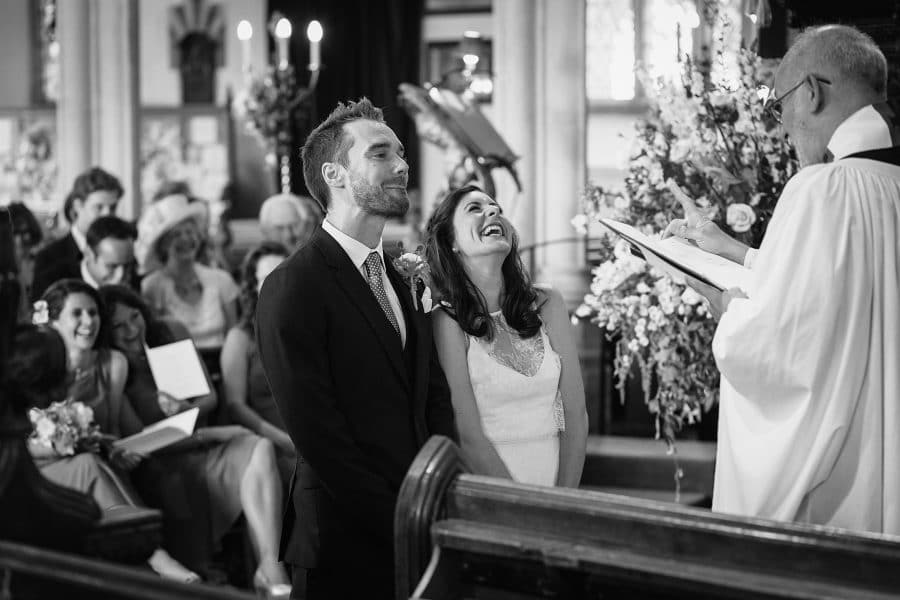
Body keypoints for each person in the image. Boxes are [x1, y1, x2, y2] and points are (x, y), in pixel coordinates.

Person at [664, 25, 900, 534]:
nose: (782, 126)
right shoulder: (890, 182)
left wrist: (723, 303)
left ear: (812, 93)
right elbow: (843, 286)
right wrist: (730, 249)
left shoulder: (821, 187)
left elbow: (784, 344)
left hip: (844, 476)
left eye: (779, 105)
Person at [256, 98, 457, 599]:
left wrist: (437, 495)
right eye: (381, 154)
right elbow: (319, 437)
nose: (403, 166)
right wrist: (398, 518)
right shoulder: (294, 286)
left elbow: (432, 397)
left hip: (419, 522)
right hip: (342, 539)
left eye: (402, 155)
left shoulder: (400, 277)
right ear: (336, 173)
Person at [98, 284, 290, 593]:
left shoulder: (170, 332)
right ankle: (269, 579)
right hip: (162, 459)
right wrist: (215, 432)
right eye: (118, 326)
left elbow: (210, 397)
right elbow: (140, 441)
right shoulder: (114, 367)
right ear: (106, 333)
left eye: (134, 317)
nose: (132, 330)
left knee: (260, 446)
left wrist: (188, 408)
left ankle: (271, 567)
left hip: (203, 444)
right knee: (247, 446)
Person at [34, 279, 199, 582]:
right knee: (88, 464)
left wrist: (119, 449)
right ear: (53, 320)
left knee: (101, 466)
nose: (89, 322)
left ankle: (157, 562)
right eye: (78, 314)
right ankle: (159, 559)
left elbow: (119, 434)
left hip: (101, 463)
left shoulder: (113, 364)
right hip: (41, 467)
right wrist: (67, 445)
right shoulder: (36, 368)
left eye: (94, 313)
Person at [425, 185, 587, 486]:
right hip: (494, 491)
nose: (493, 211)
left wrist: (564, 500)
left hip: (558, 485)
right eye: (474, 208)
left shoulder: (548, 304)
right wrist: (520, 508)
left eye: (495, 207)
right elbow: (468, 433)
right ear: (451, 242)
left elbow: (576, 414)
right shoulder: (446, 322)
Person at [220, 242, 295, 484]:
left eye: (283, 273)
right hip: (271, 442)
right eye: (267, 277)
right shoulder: (240, 338)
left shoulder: (311, 327)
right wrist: (284, 440)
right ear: (253, 286)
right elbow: (236, 407)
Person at [137, 193, 239, 362]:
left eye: (190, 232)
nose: (186, 239)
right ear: (163, 243)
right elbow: (154, 341)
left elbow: (234, 337)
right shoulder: (152, 286)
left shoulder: (222, 280)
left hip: (225, 369)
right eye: (176, 235)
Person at [32, 167, 123, 300]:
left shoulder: (122, 255)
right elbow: (41, 315)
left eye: (113, 208)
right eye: (99, 207)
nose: (107, 215)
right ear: (78, 206)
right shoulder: (49, 258)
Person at [80, 215, 138, 289]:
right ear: (89, 254)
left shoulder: (141, 286)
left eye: (127, 266)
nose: (120, 276)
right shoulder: (62, 279)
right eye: (112, 266)